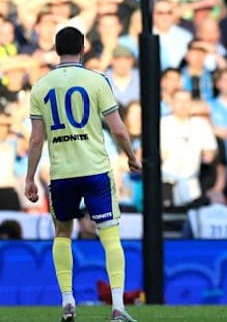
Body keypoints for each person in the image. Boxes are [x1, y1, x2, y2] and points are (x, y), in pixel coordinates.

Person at [24, 27, 141, 322]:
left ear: (55, 49)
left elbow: (36, 139)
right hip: (96, 169)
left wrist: (29, 177)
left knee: (62, 235)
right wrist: (131, 156)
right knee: (111, 238)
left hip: (62, 173)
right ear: (84, 48)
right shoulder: (97, 80)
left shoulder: (40, 86)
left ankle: (67, 301)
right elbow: (117, 128)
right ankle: (117, 307)